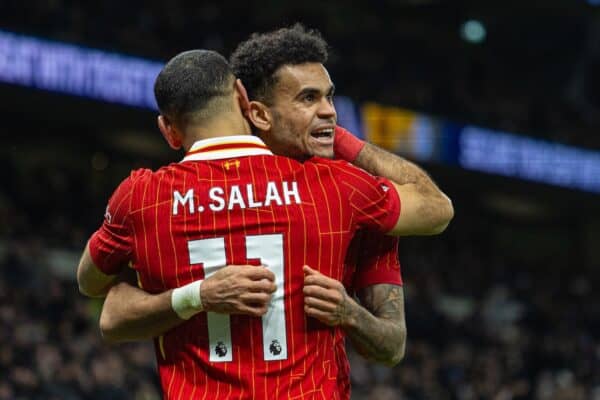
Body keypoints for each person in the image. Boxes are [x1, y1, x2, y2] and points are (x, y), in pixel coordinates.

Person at [93, 24, 453, 392]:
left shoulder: (354, 195)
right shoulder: (343, 190)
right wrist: (196, 296)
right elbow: (436, 207)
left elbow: (392, 346)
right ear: (258, 113)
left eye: (330, 98)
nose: (329, 111)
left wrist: (351, 314)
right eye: (308, 99)